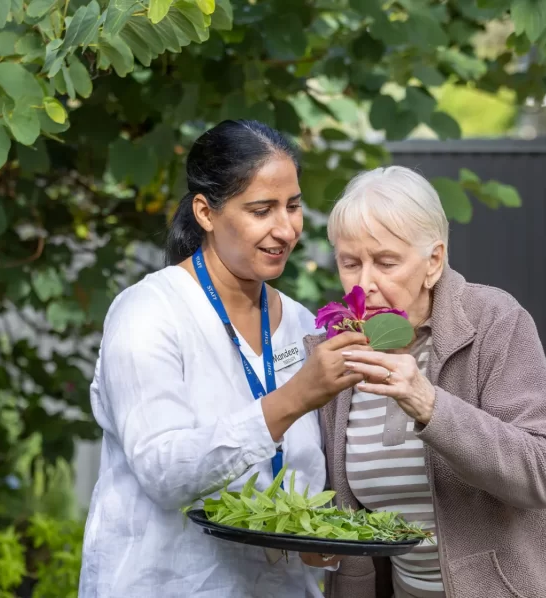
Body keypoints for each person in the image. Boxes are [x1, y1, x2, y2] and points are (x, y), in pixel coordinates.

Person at [78, 120, 366, 597]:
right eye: (261, 209)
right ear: (205, 213)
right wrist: (294, 398)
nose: (285, 228)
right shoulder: (149, 312)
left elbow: (310, 482)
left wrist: (327, 540)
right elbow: (164, 473)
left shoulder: (301, 326)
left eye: (293, 206)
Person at [306, 166, 546, 598]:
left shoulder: (493, 321)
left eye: (386, 262)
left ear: (433, 262)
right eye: (350, 262)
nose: (365, 284)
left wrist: (428, 403)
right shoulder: (339, 350)